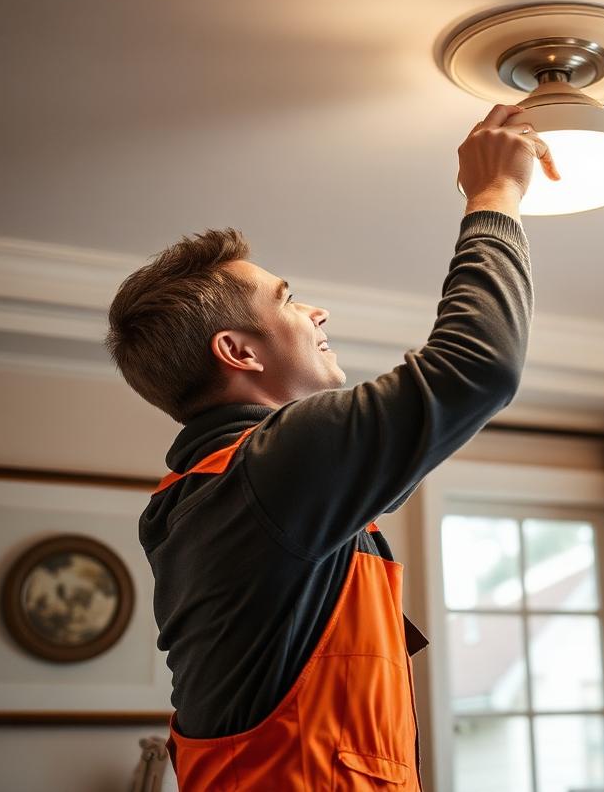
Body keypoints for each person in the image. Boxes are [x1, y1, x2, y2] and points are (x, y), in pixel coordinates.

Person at [105, 104, 558, 790]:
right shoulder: (268, 471)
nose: (317, 312)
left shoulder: (219, 494)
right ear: (237, 351)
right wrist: (494, 195)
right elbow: (479, 366)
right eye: (290, 299)